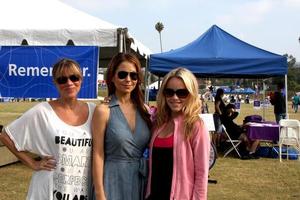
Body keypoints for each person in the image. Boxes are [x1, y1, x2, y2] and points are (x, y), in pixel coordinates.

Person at [0, 58, 96, 200]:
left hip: (82, 189)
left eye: (74, 77)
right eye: (62, 79)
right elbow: (5, 136)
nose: (69, 83)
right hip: (48, 190)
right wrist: (32, 163)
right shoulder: (43, 111)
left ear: (81, 80)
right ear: (55, 83)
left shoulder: (94, 111)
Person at [92, 53, 151, 200]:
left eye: (133, 75)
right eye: (123, 74)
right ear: (112, 77)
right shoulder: (103, 111)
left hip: (139, 181)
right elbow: (98, 154)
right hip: (111, 180)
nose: (128, 80)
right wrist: (100, 193)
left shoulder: (144, 110)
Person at [145, 67, 210, 200]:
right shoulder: (159, 122)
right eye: (169, 92)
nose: (174, 97)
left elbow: (202, 174)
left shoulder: (196, 125)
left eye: (182, 93)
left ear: (191, 93)